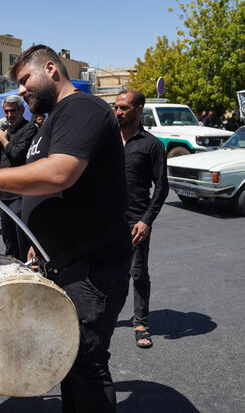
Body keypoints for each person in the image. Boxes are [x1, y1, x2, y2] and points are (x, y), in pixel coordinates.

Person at [0, 45, 133, 413]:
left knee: (85, 364)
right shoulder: (53, 120)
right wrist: (41, 241)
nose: (20, 90)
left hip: (93, 269)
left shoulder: (82, 108)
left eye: (24, 80)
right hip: (66, 262)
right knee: (67, 358)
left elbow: (58, 174)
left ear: (51, 68)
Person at [115, 89, 169, 349]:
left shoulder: (152, 145)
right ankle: (104, 317)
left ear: (139, 110)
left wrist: (147, 220)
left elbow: (161, 187)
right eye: (116, 107)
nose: (118, 112)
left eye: (124, 108)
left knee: (138, 273)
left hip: (136, 221)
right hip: (107, 220)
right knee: (108, 271)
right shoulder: (108, 141)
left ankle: (141, 322)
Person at [0, 95, 35, 261]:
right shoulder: (5, 131)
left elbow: (17, 154)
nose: (9, 115)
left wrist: (4, 140)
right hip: (4, 193)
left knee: (21, 240)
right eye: (6, 112)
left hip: (20, 194)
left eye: (13, 111)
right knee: (9, 239)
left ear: (22, 110)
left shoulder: (30, 129)